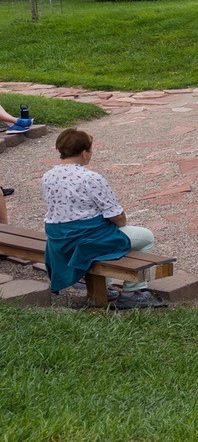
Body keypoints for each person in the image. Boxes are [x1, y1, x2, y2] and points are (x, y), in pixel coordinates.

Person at [42, 128, 164, 309]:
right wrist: (122, 225)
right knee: (145, 237)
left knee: (107, 234)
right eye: (91, 150)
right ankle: (132, 292)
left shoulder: (48, 176)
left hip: (60, 239)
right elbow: (115, 214)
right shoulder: (90, 178)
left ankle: (104, 287)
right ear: (84, 153)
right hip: (84, 240)